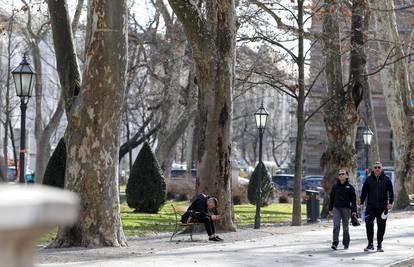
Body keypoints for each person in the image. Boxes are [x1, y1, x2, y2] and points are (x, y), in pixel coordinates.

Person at [360, 161, 394, 252]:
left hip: (383, 207)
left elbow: (391, 192)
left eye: (379, 167)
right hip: (371, 207)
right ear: (373, 168)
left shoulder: (386, 179)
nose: (377, 169)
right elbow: (364, 192)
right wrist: (361, 202)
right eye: (375, 167)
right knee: (369, 223)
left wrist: (390, 202)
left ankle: (379, 245)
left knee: (381, 226)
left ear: (381, 168)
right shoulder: (368, 179)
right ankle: (370, 244)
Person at [328, 169, 357, 250]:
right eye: (340, 174)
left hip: (346, 209)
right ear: (338, 176)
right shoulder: (335, 186)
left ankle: (346, 242)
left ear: (346, 176)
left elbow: (354, 200)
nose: (341, 175)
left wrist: (354, 211)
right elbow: (332, 198)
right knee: (336, 225)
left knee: (345, 227)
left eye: (343, 174)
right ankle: (335, 243)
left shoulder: (350, 187)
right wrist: (330, 209)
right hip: (336, 208)